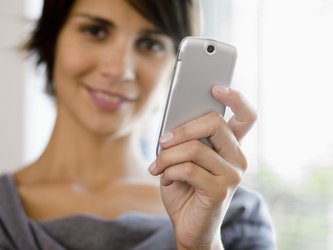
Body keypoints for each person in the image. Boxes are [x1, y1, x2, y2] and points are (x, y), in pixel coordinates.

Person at [0, 0, 276, 249]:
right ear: (51, 39)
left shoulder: (232, 217)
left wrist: (200, 245)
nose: (120, 70)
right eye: (95, 31)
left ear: (176, 67)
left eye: (150, 44)